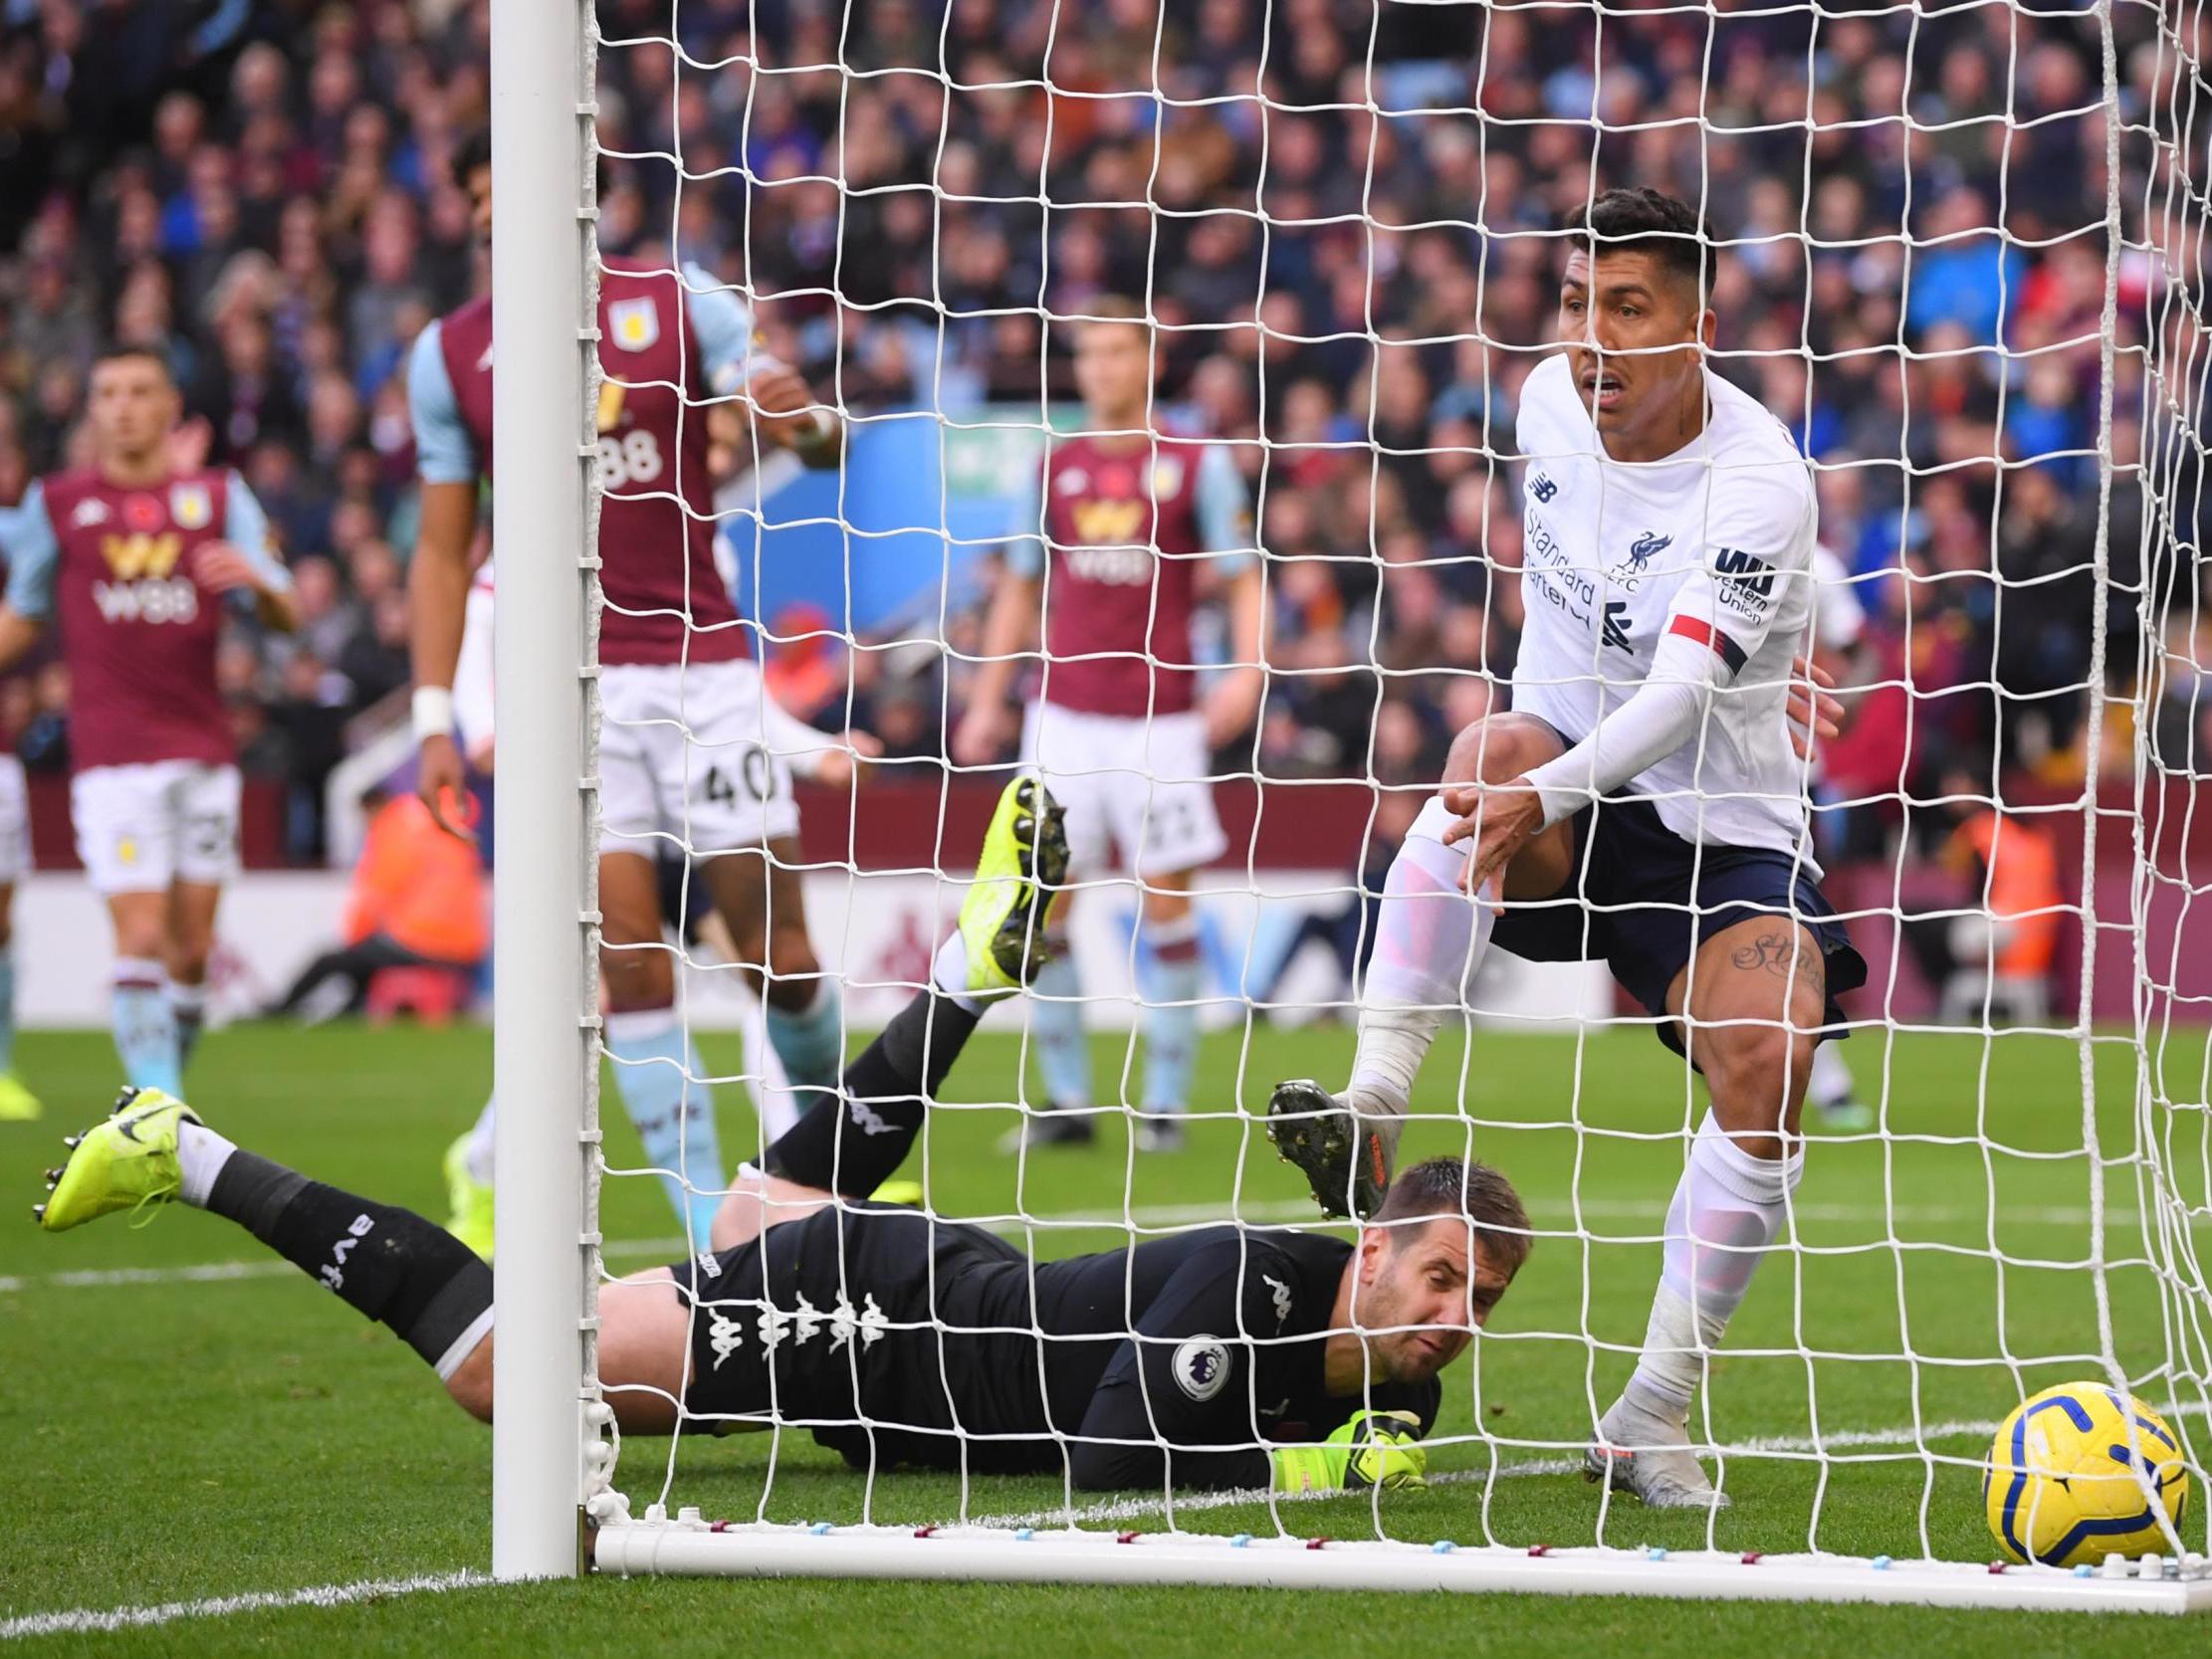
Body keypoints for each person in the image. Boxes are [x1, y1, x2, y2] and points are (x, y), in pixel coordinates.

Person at [36, 777, 1529, 1494]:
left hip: (915, 1294)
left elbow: (1360, 1423)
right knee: (518, 1374)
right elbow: (1105, 1450)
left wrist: (1364, 1434)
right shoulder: (1261, 1282)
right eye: (1445, 1278)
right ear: (1375, 1247)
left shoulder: (1394, 1386)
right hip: (867, 1322)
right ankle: (187, 1146)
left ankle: (968, 977)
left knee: (766, 1194)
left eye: (1481, 1301)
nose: (1457, 1320)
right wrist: (1302, 1477)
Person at [1266, 188, 1867, 1511]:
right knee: (1482, 754)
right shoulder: (1544, 401)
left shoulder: (1758, 481)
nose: (1594, 339)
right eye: (1580, 303)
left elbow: (1680, 697)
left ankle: (1646, 1414)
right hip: (1563, 785)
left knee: (1769, 1055)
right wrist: (1541, 783)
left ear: (1701, 325)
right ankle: (1370, 1104)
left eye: (1630, 309)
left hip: (1716, 825)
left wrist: (1557, 784)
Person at [409, 133, 852, 1242]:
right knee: (630, 957)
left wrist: (806, 417)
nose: (494, 209)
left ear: (586, 195)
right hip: (573, 689)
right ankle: (718, 1229)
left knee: (777, 957)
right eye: (480, 190)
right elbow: (439, 548)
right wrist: (433, 714)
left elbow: (801, 426)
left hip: (705, 673)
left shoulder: (675, 300)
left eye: (511, 179)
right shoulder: (452, 353)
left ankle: (835, 1150)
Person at [952, 297, 1264, 1153]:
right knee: (1042, 910)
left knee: (1166, 908)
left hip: (1160, 722)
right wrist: (987, 700)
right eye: (1088, 355)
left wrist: (1248, 666)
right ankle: (1067, 1103)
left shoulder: (1195, 464)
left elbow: (1243, 575)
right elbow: (1020, 583)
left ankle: (1163, 1105)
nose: (1101, 369)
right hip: (1061, 718)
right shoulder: (1054, 466)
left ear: (1149, 361)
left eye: (1118, 353)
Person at [0, 345, 298, 1099]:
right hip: (110, 757)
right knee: (139, 937)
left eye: (140, 391)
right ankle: (161, 1115)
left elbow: (288, 609)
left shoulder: (219, 497)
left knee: (192, 952)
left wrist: (257, 583)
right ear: (91, 410)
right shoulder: (58, 504)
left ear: (171, 409)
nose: (124, 405)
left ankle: (162, 1090)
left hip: (203, 751)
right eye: (107, 393)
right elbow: (24, 614)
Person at [266, 786, 488, 1021]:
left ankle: (279, 1011)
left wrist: (354, 942)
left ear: (373, 808)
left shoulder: (393, 829)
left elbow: (378, 895)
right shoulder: (443, 828)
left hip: (422, 939)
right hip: (466, 944)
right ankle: (348, 1012)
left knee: (333, 960)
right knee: (365, 960)